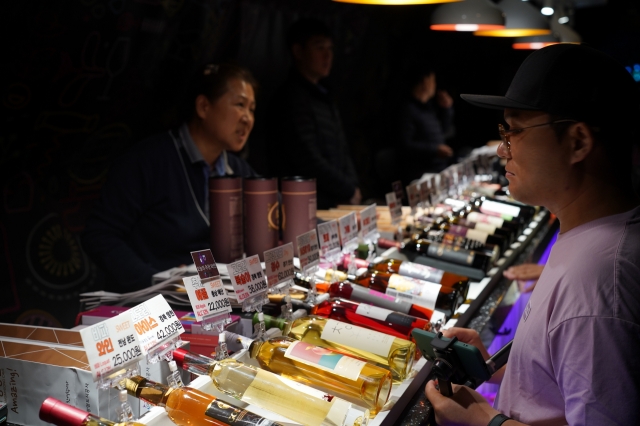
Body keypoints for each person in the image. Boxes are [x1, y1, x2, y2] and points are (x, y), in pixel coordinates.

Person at [425, 44, 640, 425]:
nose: (500, 148)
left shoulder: (597, 279)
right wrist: (496, 367)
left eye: (515, 130)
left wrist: (484, 422)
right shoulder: (592, 240)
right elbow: (570, 388)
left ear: (578, 142)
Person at [82, 64, 257, 291]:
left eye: (252, 109)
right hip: (152, 305)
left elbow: (275, 211)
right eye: (240, 105)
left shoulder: (237, 169)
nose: (248, 119)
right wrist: (155, 282)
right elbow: (99, 235)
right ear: (203, 107)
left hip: (212, 299)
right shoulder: (149, 159)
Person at [266, 18, 361, 209]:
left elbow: (342, 149)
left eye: (330, 48)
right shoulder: (291, 98)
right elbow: (307, 159)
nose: (327, 55)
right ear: (298, 51)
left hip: (337, 200)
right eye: (319, 48)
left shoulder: (325, 94)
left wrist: (353, 186)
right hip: (307, 206)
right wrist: (347, 189)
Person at [396, 62, 455, 184]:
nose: (435, 85)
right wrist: (434, 149)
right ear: (425, 81)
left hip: (440, 169)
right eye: (433, 80)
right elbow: (405, 145)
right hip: (423, 173)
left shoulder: (428, 107)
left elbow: (442, 132)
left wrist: (447, 109)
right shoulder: (408, 109)